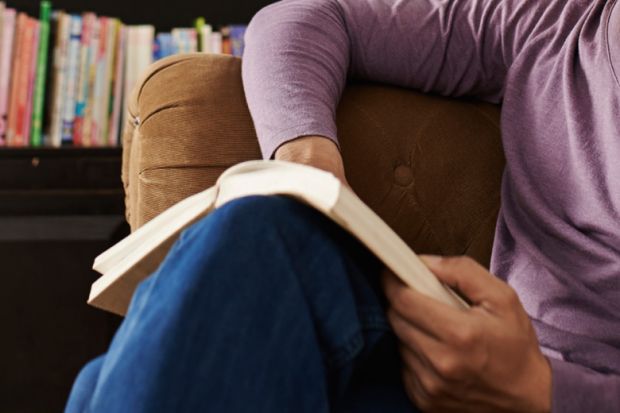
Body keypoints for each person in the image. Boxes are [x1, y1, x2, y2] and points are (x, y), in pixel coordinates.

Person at [66, 0, 620, 411]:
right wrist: (308, 160)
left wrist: (544, 389)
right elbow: (303, 18)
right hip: (450, 368)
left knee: (103, 383)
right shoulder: (557, 23)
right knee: (264, 228)